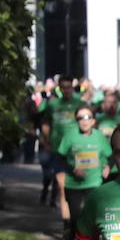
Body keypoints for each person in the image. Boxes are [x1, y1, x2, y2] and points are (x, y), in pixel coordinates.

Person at [56, 105, 111, 240]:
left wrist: (108, 167)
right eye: (80, 118)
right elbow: (59, 158)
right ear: (77, 120)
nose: (84, 121)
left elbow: (111, 156)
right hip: (73, 185)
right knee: (76, 219)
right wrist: (73, 169)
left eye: (88, 117)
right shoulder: (70, 135)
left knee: (93, 219)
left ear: (93, 120)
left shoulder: (99, 136)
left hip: (94, 183)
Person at [37, 77, 83, 212]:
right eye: (63, 87)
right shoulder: (53, 105)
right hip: (56, 147)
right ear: (60, 89)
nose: (66, 90)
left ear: (73, 88)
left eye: (69, 87)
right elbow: (45, 122)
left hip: (75, 150)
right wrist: (46, 140)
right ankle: (50, 196)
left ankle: (67, 209)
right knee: (53, 178)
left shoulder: (79, 104)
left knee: (70, 182)